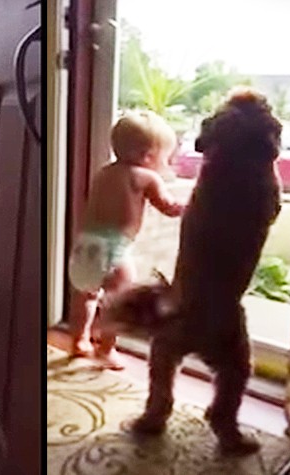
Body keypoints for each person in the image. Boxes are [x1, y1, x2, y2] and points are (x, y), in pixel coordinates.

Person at [68, 110, 184, 370]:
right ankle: (106, 350)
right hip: (113, 250)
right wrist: (186, 207)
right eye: (165, 157)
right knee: (117, 301)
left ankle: (79, 340)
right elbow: (167, 205)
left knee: (86, 295)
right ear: (148, 157)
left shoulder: (104, 173)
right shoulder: (146, 177)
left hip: (85, 245)